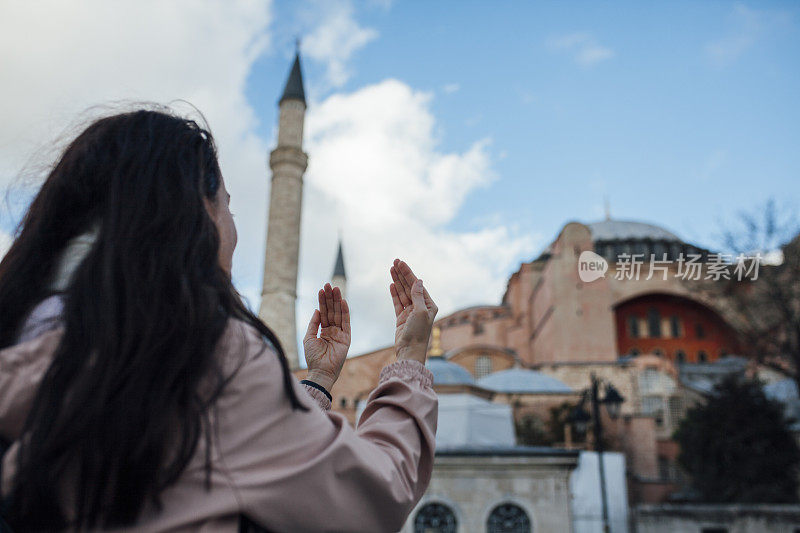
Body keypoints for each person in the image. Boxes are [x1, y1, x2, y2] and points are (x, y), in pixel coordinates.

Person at [0, 108, 439, 532]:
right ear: (195, 216)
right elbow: (377, 495)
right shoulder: (205, 355)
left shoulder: (24, 340)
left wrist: (319, 381)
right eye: (227, 207)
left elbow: (240, 449)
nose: (232, 226)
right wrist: (411, 359)